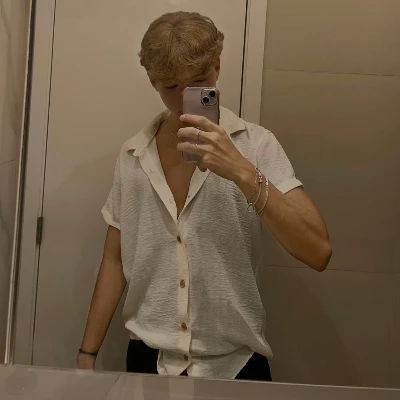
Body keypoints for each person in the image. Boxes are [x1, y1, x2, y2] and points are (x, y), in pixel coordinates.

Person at [76, 11, 332, 381]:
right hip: (149, 364)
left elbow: (318, 251)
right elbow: (114, 259)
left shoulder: (257, 145)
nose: (184, 100)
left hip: (236, 366)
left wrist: (241, 170)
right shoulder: (133, 155)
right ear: (152, 81)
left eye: (198, 83)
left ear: (217, 67)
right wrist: (87, 354)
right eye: (170, 86)